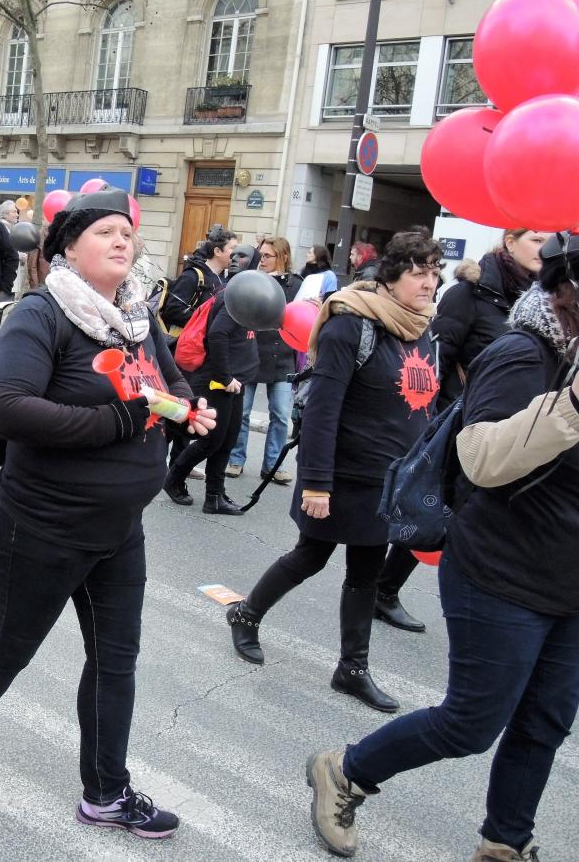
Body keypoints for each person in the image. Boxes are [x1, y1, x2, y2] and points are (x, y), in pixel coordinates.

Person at [0, 188, 216, 839]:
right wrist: (119, 417)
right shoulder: (45, 313)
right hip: (43, 523)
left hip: (119, 526)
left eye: (127, 231)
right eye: (106, 231)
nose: (123, 240)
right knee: (12, 643)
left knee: (117, 658)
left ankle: (106, 791)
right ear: (68, 247)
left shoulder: (137, 316)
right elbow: (7, 407)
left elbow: (169, 384)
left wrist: (186, 408)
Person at [306, 249, 579, 862]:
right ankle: (345, 771)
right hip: (501, 571)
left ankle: (505, 842)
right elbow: (481, 458)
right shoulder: (523, 354)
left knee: (546, 722)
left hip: (570, 581)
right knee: (471, 723)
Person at [227, 229, 441, 713]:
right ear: (391, 275)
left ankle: (352, 668)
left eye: (433, 272)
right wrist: (317, 482)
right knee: (310, 557)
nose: (428, 282)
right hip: (343, 473)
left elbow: (423, 405)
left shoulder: (423, 325)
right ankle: (246, 614)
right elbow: (322, 409)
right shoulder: (352, 324)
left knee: (366, 571)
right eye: (418, 272)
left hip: (389, 478)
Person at [162, 249, 259, 514]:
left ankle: (214, 497)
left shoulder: (244, 294)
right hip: (219, 380)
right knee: (213, 440)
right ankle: (173, 479)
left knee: (226, 441)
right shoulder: (234, 295)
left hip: (233, 380)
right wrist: (225, 377)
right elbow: (217, 335)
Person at [434, 230, 547, 408]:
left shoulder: (544, 303)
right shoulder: (468, 293)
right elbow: (436, 363)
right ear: (510, 243)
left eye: (549, 242)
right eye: (536, 240)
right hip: (463, 417)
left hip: (510, 421)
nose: (544, 249)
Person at [227, 235, 300, 485]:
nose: (262, 260)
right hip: (252, 354)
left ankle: (273, 465)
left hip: (282, 358)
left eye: (267, 256)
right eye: (261, 255)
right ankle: (236, 459)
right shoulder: (251, 281)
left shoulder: (296, 284)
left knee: (280, 414)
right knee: (242, 413)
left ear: (283, 257)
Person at [160, 227, 235, 331]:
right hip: (185, 343)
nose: (237, 253)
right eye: (233, 248)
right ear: (217, 251)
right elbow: (173, 310)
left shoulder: (223, 279)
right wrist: (206, 322)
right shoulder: (191, 276)